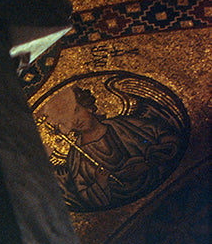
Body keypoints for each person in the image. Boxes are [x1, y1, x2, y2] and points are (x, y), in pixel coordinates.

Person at [39, 78, 188, 212]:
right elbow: (84, 195)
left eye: (76, 111)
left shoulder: (124, 125)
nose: (76, 121)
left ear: (88, 106)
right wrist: (100, 183)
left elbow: (168, 138)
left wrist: (148, 162)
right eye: (68, 120)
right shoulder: (76, 157)